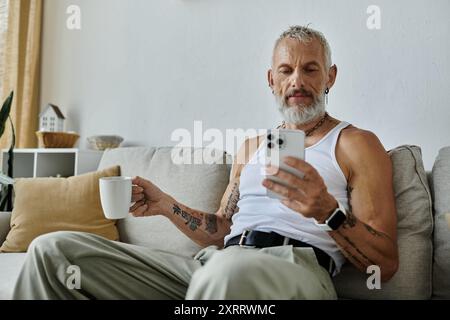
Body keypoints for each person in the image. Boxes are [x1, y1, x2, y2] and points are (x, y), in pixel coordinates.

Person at [13, 25, 398, 300]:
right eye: (286, 70)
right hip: (214, 265)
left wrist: (327, 212)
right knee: (53, 252)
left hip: (296, 271)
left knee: (226, 273)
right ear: (271, 80)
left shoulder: (355, 144)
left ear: (330, 76)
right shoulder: (250, 149)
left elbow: (385, 263)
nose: (297, 80)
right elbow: (222, 228)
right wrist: (165, 204)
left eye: (310, 68)